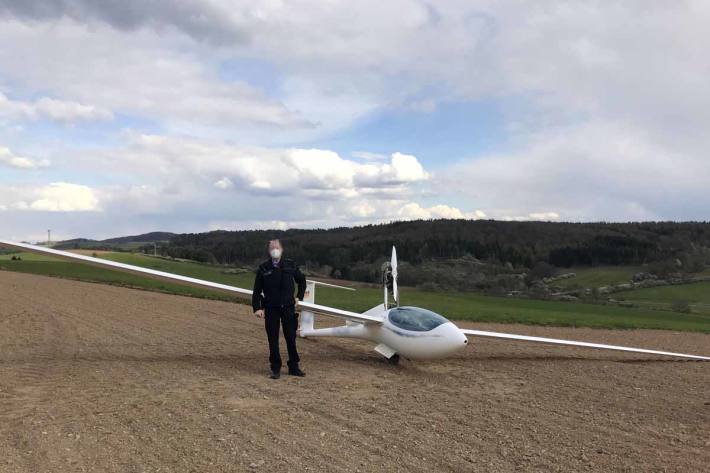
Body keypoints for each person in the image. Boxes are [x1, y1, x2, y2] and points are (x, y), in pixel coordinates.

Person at [252, 239, 307, 379]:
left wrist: (299, 297)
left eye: (277, 247)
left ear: (282, 249)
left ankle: (294, 366)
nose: (274, 249)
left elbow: (302, 281)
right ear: (269, 250)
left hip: (288, 307)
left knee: (291, 337)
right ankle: (275, 368)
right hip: (271, 308)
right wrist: (257, 308)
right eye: (272, 247)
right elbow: (257, 290)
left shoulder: (290, 265)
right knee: (273, 338)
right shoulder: (263, 268)